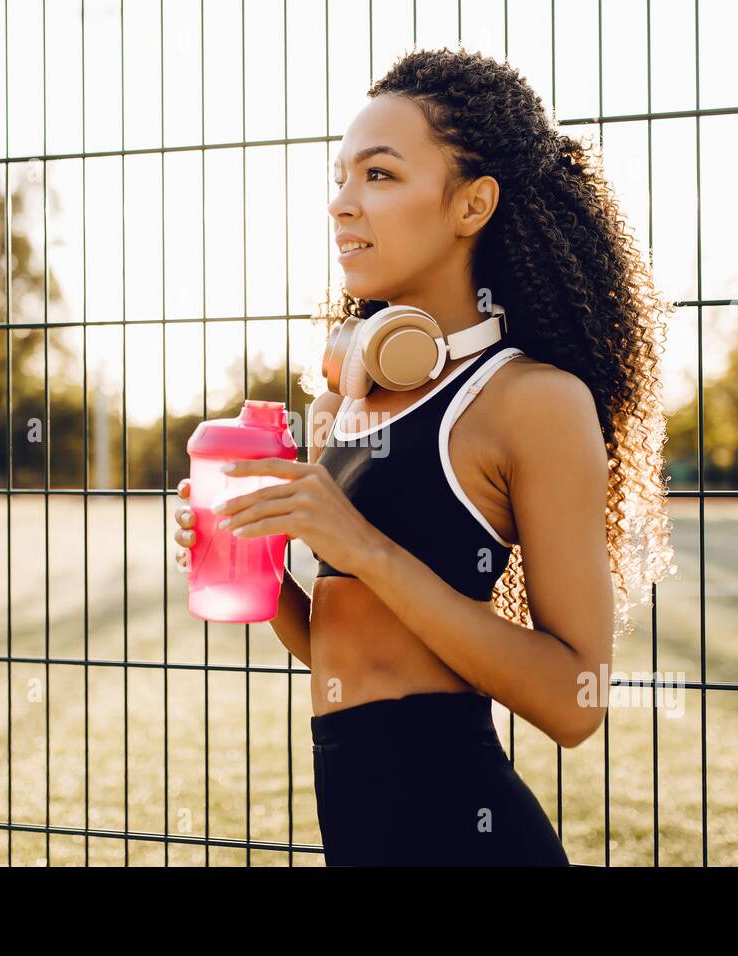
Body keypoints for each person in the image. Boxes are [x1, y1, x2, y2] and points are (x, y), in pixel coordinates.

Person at [173, 47, 676, 867]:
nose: (342, 204)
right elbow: (354, 652)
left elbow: (574, 700)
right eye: (339, 177)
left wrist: (361, 547)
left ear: (472, 204)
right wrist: (251, 563)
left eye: (378, 175)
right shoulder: (359, 396)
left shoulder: (534, 402)